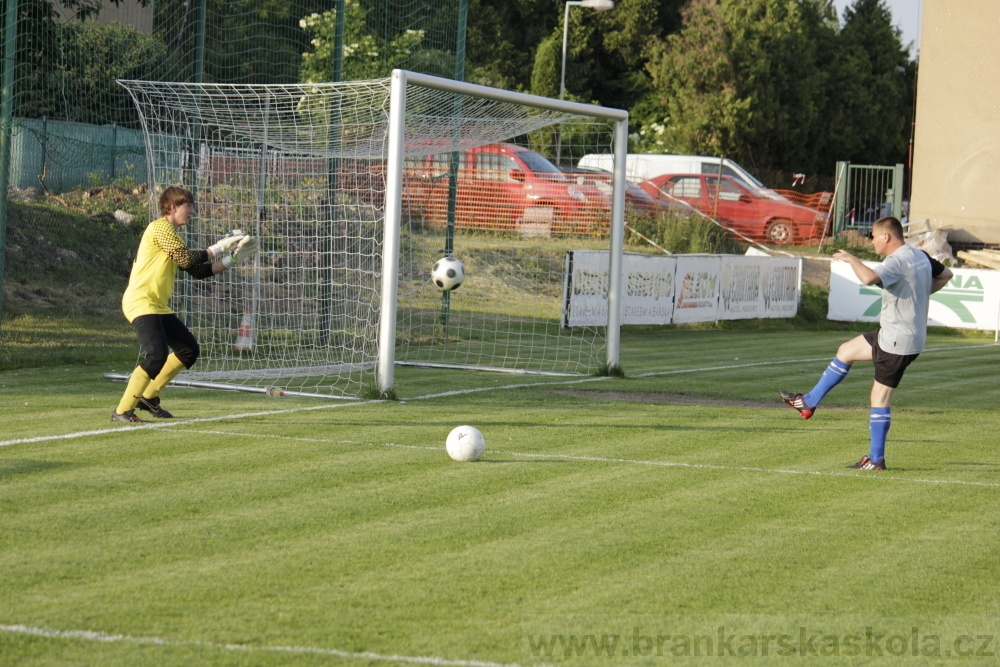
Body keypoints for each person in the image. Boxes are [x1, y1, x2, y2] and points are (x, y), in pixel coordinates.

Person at [779, 216, 953, 470]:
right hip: (898, 335)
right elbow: (946, 274)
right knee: (846, 350)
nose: (871, 241)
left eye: (873, 236)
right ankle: (809, 401)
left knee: (879, 398)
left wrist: (852, 259)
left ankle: (876, 459)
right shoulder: (919, 256)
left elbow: (869, 278)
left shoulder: (897, 260)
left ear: (886, 237)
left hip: (897, 340)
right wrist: (914, 293)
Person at [112, 186, 259, 422]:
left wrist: (233, 258)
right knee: (156, 355)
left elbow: (197, 271)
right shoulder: (159, 227)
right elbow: (188, 258)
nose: (192, 211)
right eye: (188, 206)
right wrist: (220, 247)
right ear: (172, 207)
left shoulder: (171, 234)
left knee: (188, 350)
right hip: (141, 301)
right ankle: (122, 411)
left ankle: (148, 397)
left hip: (156, 305)